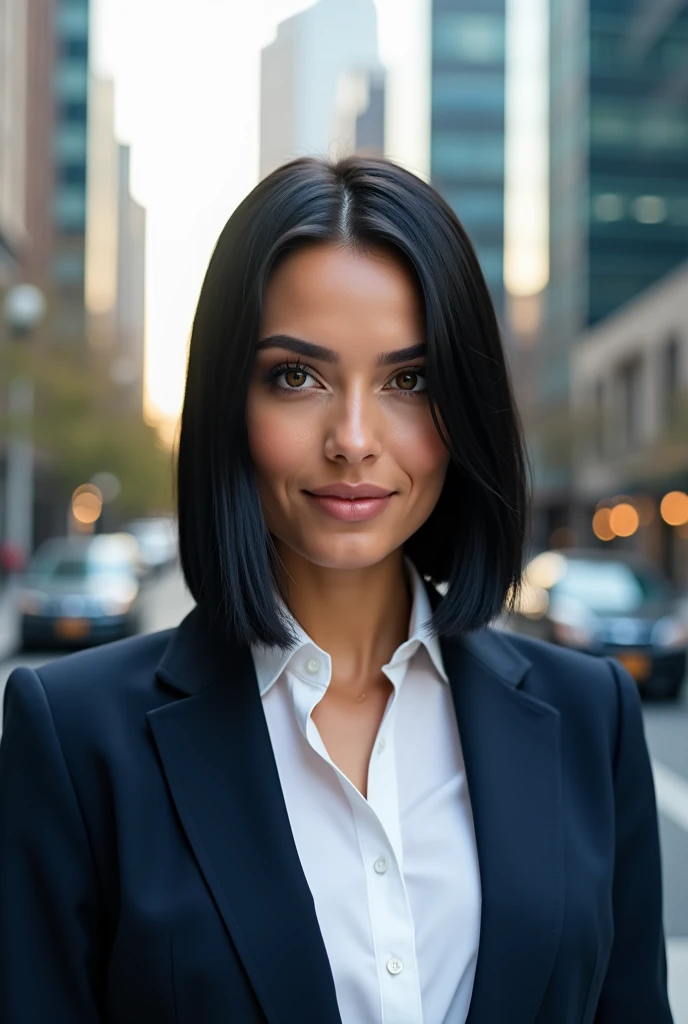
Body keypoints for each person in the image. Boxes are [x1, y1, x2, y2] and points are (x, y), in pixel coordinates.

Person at [0, 157, 672, 1024]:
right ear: (226, 405)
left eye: (410, 379)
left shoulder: (593, 718)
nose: (353, 439)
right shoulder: (74, 738)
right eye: (296, 375)